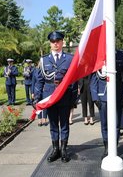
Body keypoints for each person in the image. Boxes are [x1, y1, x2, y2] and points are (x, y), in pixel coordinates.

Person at [34, 31, 78, 163]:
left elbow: (74, 80)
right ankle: (55, 149)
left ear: (62, 42)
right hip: (50, 97)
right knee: (53, 124)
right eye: (53, 42)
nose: (56, 44)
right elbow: (39, 80)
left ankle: (64, 149)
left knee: (64, 124)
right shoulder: (44, 60)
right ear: (50, 43)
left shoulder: (70, 59)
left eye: (58, 41)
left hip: (64, 96)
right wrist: (36, 97)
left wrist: (73, 98)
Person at [90, 50, 123, 160]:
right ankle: (107, 146)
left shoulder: (121, 55)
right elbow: (93, 77)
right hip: (102, 95)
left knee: (116, 124)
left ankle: (114, 146)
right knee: (105, 124)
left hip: (117, 94)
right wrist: (95, 97)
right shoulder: (97, 54)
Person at [31, 62, 48, 126]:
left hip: (45, 89)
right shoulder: (35, 71)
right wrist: (32, 92)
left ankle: (44, 119)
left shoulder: (46, 70)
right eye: (40, 63)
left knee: (45, 105)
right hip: (37, 90)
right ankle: (39, 119)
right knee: (38, 105)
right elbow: (33, 82)